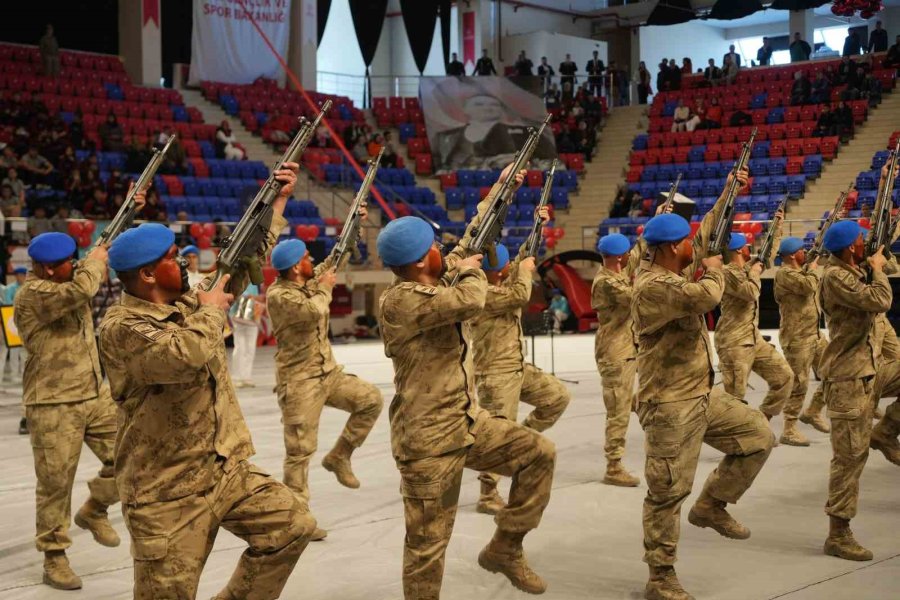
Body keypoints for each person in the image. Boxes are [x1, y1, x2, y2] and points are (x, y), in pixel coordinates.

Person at [98, 163, 316, 600]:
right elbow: (182, 355)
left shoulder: (186, 299)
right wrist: (213, 309)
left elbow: (238, 263)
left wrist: (276, 202)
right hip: (166, 491)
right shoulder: (121, 326)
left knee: (293, 526)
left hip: (222, 469)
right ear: (146, 275)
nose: (182, 262)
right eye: (171, 259)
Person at [376, 164, 555, 598]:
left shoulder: (431, 278)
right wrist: (471, 267)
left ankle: (505, 547)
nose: (442, 250)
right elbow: (471, 298)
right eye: (435, 247)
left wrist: (503, 188)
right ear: (421, 260)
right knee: (427, 547)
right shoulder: (401, 299)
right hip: (427, 441)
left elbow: (473, 239)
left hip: (465, 423)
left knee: (538, 453)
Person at [633, 165, 774, 599]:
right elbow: (707, 296)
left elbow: (706, 233)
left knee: (758, 436)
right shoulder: (652, 285)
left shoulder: (667, 262)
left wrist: (729, 193)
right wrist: (714, 267)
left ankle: (712, 504)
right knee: (666, 492)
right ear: (672, 248)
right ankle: (660, 576)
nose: (694, 249)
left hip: (699, 394)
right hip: (668, 405)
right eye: (687, 245)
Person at [15, 230, 129, 590]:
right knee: (55, 484)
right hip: (52, 402)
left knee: (132, 454)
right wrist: (94, 261)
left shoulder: (72, 273)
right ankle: (54, 557)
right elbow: (82, 288)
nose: (49, 272)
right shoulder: (34, 293)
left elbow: (95, 258)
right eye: (42, 266)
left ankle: (94, 508)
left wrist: (121, 222)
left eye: (62, 264)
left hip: (94, 394)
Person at [266, 235, 383, 541]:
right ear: (294, 268)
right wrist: (327, 285)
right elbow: (314, 310)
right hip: (300, 382)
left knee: (370, 399)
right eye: (306, 257)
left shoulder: (307, 283)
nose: (311, 260)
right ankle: (297, 521)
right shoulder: (280, 295)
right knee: (299, 452)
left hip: (328, 373)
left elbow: (332, 263)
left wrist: (353, 231)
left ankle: (340, 456)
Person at [470, 234, 570, 514]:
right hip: (495, 373)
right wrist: (525, 270)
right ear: (499, 270)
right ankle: (488, 494)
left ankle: (521, 440)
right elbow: (520, 294)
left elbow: (519, 265)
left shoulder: (499, 280)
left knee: (557, 398)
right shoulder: (482, 291)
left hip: (516, 366)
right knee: (497, 434)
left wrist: (535, 235)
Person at [817, 219, 891, 562]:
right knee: (849, 457)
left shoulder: (849, 268)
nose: (864, 245)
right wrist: (877, 268)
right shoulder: (835, 276)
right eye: (861, 242)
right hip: (848, 378)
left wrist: (877, 258)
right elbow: (880, 299)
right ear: (850, 248)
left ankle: (887, 432)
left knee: (858, 450)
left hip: (869, 370)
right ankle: (838, 533)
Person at [714, 219, 795, 425]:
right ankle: (735, 440)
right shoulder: (727, 272)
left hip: (752, 338)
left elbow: (767, 256)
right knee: (735, 397)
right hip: (734, 342)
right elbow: (750, 292)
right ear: (741, 250)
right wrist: (756, 272)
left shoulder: (746, 269)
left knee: (784, 377)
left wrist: (777, 229)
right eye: (748, 248)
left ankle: (762, 423)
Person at [592, 233, 642, 487]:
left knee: (633, 402)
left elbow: (635, 258)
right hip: (615, 352)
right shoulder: (607, 283)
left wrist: (649, 232)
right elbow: (637, 296)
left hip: (626, 348)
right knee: (618, 411)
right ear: (619, 257)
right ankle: (613, 466)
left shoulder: (616, 273)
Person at [773, 237, 831, 446]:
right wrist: (814, 267)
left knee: (833, 372)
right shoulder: (784, 274)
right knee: (799, 383)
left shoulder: (800, 271)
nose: (804, 252)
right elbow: (808, 286)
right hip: (797, 338)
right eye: (801, 250)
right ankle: (788, 429)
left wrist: (810, 265)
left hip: (814, 335)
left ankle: (813, 410)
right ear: (791, 255)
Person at [229, 280, 263, 388]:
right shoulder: (238, 276)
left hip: (254, 311)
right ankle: (237, 377)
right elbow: (234, 293)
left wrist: (258, 298)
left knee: (250, 347)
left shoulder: (256, 278)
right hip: (237, 312)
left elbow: (260, 293)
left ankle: (246, 376)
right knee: (240, 346)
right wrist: (251, 297)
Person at [0, 267, 27, 385]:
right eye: (18, 275)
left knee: (23, 349)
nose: (19, 277)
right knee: (9, 349)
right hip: (9, 322)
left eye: (21, 275)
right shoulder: (9, 289)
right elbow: (6, 305)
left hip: (24, 322)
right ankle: (11, 374)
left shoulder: (27, 287)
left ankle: (22, 374)